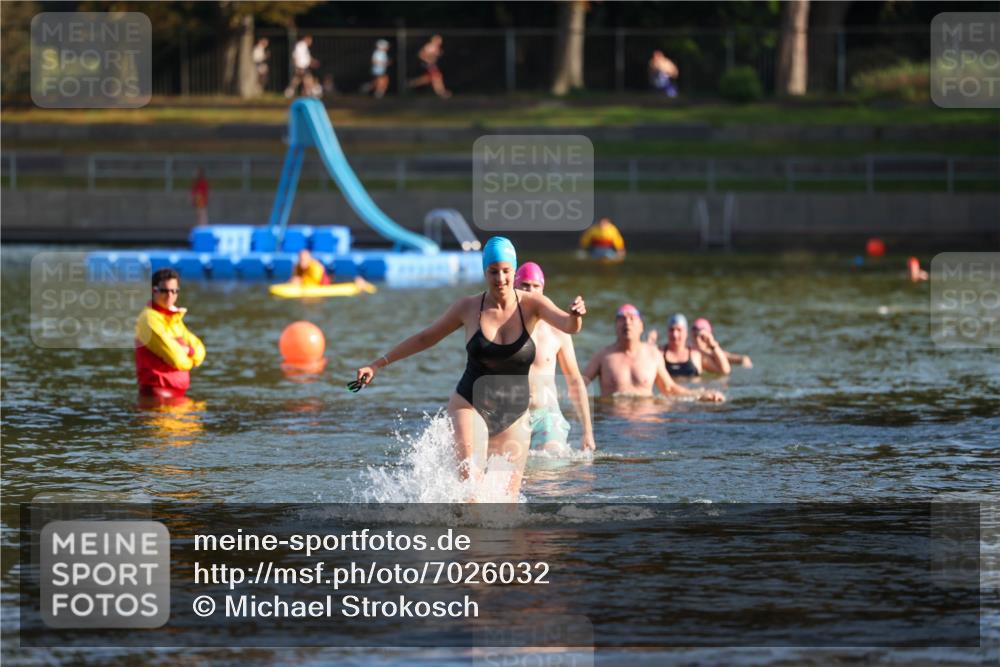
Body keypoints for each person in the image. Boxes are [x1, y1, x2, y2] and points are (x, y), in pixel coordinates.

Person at [354, 237, 587, 498]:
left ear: (514, 270)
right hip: (471, 403)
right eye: (493, 271)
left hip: (514, 413)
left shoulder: (532, 305)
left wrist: (576, 316)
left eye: (506, 271)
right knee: (472, 492)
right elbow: (426, 337)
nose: (500, 278)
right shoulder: (468, 307)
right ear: (485, 271)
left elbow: (568, 326)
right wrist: (378, 363)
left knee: (506, 505)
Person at [515, 262, 596, 454]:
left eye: (536, 286)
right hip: (513, 416)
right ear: (515, 288)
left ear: (542, 289)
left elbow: (575, 381)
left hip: (547, 416)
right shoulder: (503, 327)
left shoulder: (557, 330)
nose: (531, 291)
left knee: (547, 468)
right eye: (525, 285)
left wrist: (588, 432)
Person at [582, 304, 723, 402]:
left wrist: (701, 394)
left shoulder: (653, 355)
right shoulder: (603, 356)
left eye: (632, 318)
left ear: (641, 326)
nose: (627, 322)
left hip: (646, 423)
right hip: (612, 424)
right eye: (622, 319)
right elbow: (578, 385)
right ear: (615, 326)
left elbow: (669, 388)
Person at [135, 268, 206, 399]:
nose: (170, 296)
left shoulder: (173, 318)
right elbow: (176, 358)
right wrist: (191, 358)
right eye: (164, 291)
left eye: (174, 291)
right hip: (157, 396)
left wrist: (188, 351)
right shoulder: (148, 319)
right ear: (153, 290)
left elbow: (200, 349)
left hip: (177, 395)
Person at [661, 313, 730, 378]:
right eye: (671, 330)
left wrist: (713, 345)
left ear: (686, 333)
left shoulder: (696, 355)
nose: (675, 334)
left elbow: (724, 371)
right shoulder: (659, 355)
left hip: (694, 389)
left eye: (679, 330)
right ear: (667, 332)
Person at [290, 249, 372, 290]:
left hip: (326, 283)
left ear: (309, 259)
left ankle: (358, 280)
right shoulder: (297, 266)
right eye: (301, 259)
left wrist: (301, 281)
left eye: (304, 260)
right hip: (319, 282)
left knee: (342, 280)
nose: (302, 262)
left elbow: (316, 281)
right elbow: (295, 277)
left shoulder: (315, 266)